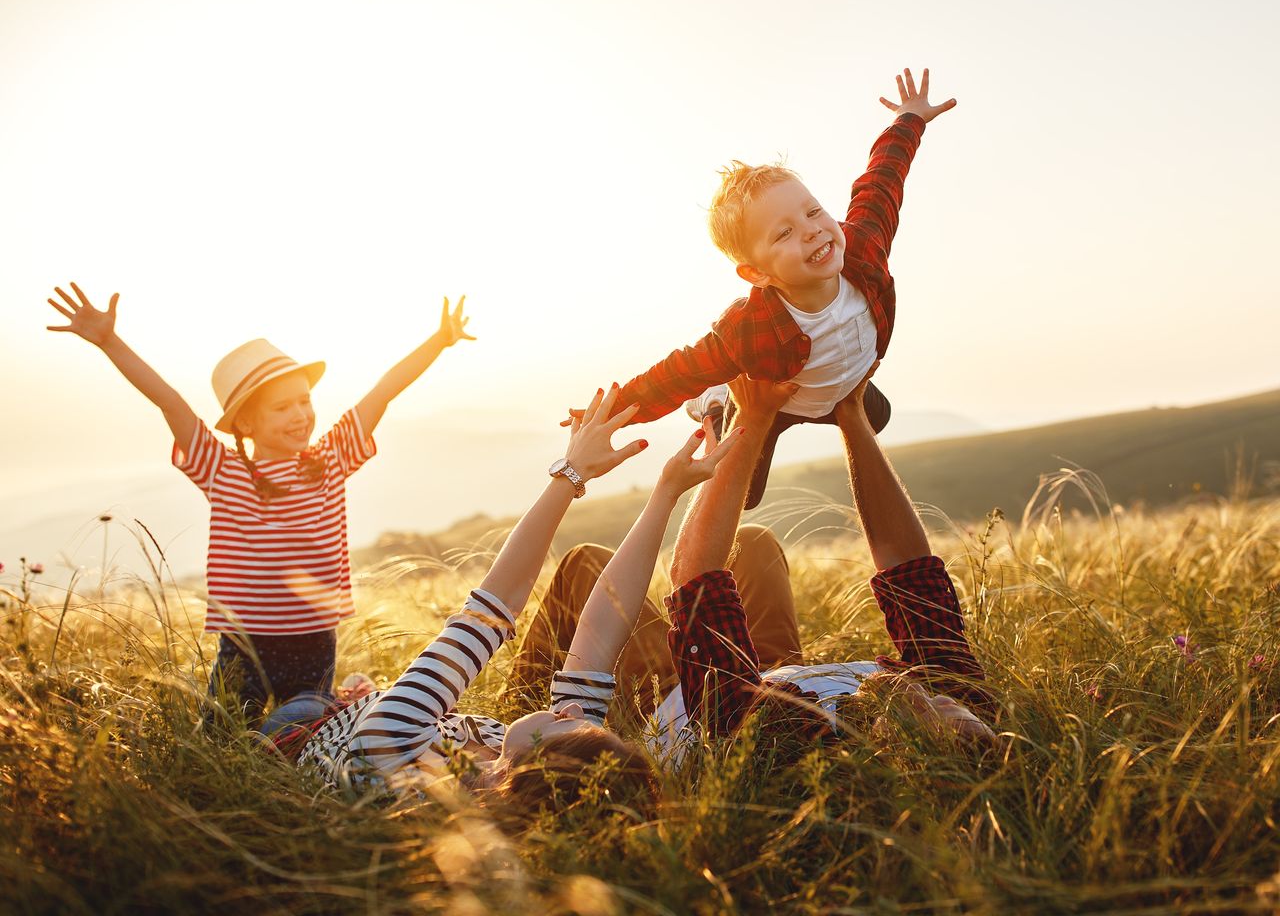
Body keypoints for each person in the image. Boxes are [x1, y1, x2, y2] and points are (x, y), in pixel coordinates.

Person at [45, 283, 474, 726]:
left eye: (304, 401)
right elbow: (169, 402)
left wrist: (439, 341)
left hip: (313, 637)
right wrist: (110, 342)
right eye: (281, 407)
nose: (300, 415)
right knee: (224, 733)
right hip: (243, 640)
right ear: (245, 422)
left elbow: (382, 393)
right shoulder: (222, 470)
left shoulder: (330, 459)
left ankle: (342, 702)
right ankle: (341, 700)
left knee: (302, 730)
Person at [292, 384, 744, 803]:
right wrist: (665, 492)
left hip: (309, 721)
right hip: (373, 702)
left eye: (568, 724)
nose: (569, 709)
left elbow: (493, 605)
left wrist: (572, 474)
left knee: (296, 700)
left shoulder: (388, 755)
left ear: (531, 773)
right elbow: (599, 631)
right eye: (581, 719)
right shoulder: (534, 754)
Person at [520, 369, 994, 760]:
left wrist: (754, 417)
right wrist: (851, 415)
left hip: (683, 692)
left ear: (899, 747)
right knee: (753, 544)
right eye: (966, 711)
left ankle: (520, 736)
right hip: (775, 673)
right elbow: (907, 569)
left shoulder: (790, 740)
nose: (944, 697)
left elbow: (695, 579)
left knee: (584, 564)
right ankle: (726, 420)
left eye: (935, 710)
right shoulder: (958, 695)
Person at [563, 68, 956, 510]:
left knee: (877, 419)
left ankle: (835, 394)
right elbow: (677, 373)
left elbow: (881, 183)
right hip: (780, 396)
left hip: (842, 381)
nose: (811, 231)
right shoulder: (750, 333)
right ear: (757, 274)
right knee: (743, 495)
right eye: (783, 233)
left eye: (812, 212)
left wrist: (909, 119)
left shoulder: (863, 248)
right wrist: (609, 417)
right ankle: (716, 401)